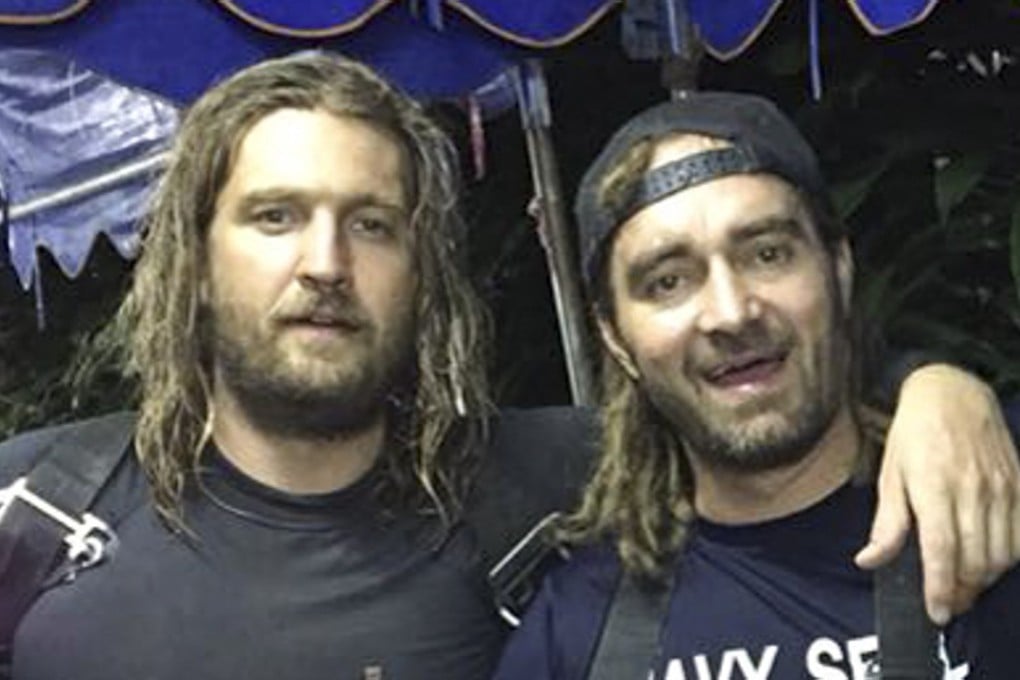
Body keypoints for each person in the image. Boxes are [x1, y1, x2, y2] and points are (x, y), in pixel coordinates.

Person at [0, 54, 1016, 680]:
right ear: (193, 250)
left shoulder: (523, 492)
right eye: (275, 216)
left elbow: (750, 399)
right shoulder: (31, 510)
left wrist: (942, 393)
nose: (324, 262)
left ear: (421, 271)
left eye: (372, 223)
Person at [492, 92, 1020, 680]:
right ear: (617, 339)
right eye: (668, 282)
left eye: (767, 254)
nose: (731, 312)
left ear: (837, 268)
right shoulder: (577, 630)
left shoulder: (992, 493)